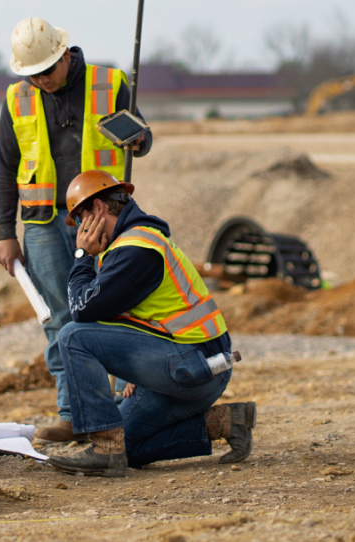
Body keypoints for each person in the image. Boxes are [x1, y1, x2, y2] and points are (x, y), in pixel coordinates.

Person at [0, 17, 153, 442]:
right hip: (42, 223)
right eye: (31, 74)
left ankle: (124, 414)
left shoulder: (110, 82)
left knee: (115, 309)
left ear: (66, 54)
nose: (40, 81)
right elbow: (5, 166)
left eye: (46, 70)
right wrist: (4, 232)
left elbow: (142, 137)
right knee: (59, 319)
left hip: (100, 215)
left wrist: (139, 140)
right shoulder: (17, 99)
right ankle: (74, 414)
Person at [45, 170, 255, 477]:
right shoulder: (134, 244)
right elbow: (132, 318)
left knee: (73, 337)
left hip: (191, 367)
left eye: (80, 219)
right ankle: (225, 422)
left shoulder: (135, 249)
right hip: (190, 365)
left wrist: (81, 256)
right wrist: (139, 369)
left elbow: (80, 309)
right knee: (129, 450)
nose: (80, 229)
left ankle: (104, 448)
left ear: (99, 209)